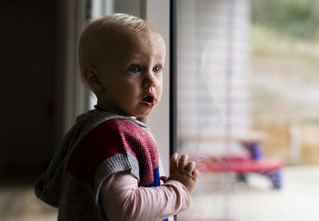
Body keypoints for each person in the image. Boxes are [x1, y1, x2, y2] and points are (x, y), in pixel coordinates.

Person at [35, 13, 199, 221]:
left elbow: (113, 193)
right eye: (135, 68)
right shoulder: (116, 135)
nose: (151, 80)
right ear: (95, 79)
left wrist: (164, 184)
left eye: (157, 68)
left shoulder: (92, 126)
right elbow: (125, 208)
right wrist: (179, 190)